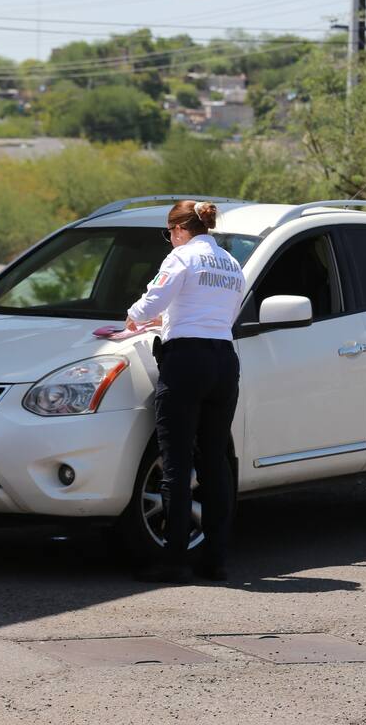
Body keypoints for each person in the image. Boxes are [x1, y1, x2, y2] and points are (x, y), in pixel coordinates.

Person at [126, 200, 245, 584]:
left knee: (176, 463)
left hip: (186, 361)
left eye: (169, 233)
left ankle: (174, 560)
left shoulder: (181, 258)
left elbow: (150, 305)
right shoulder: (230, 263)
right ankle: (216, 560)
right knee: (214, 462)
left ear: (178, 229)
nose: (170, 239)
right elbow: (222, 314)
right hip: (224, 362)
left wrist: (135, 316)